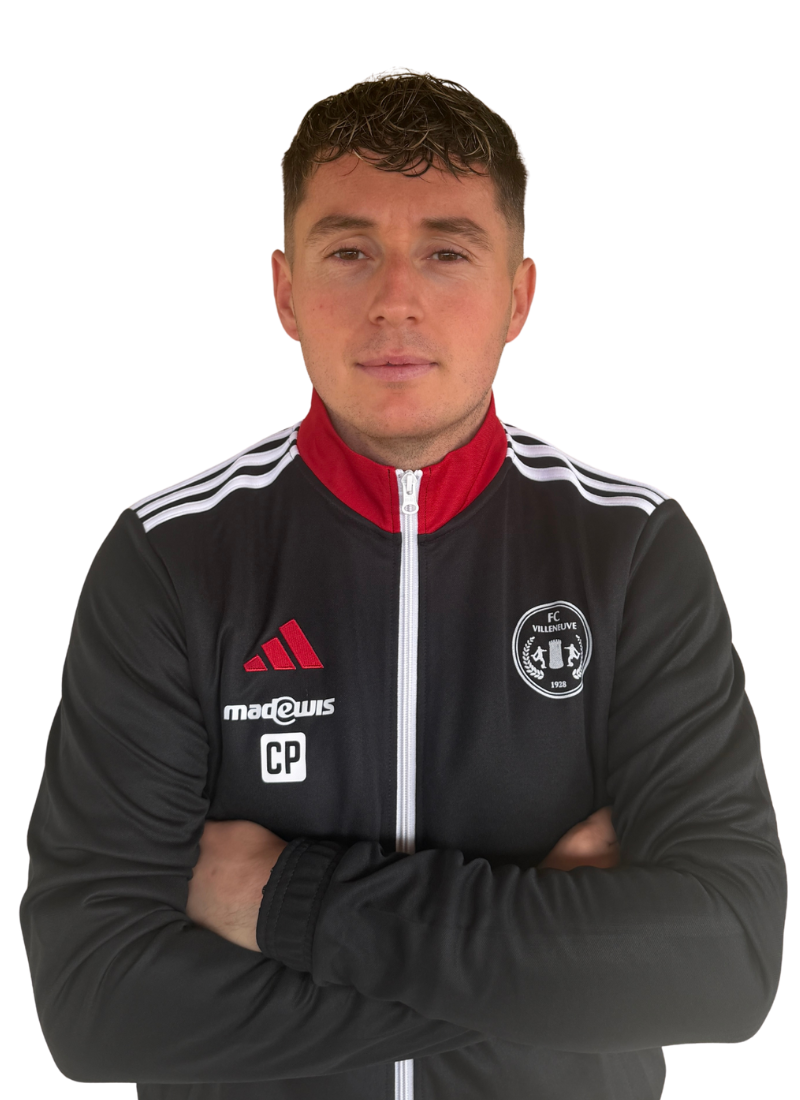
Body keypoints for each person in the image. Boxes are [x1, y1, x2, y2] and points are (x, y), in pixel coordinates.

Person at [20, 67, 786, 1100]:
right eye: (348, 251)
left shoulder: (633, 548)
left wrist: (281, 897)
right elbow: (97, 1005)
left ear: (518, 296)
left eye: (446, 251)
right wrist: (548, 950)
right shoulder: (167, 556)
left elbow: (724, 964)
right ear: (285, 291)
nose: (394, 299)